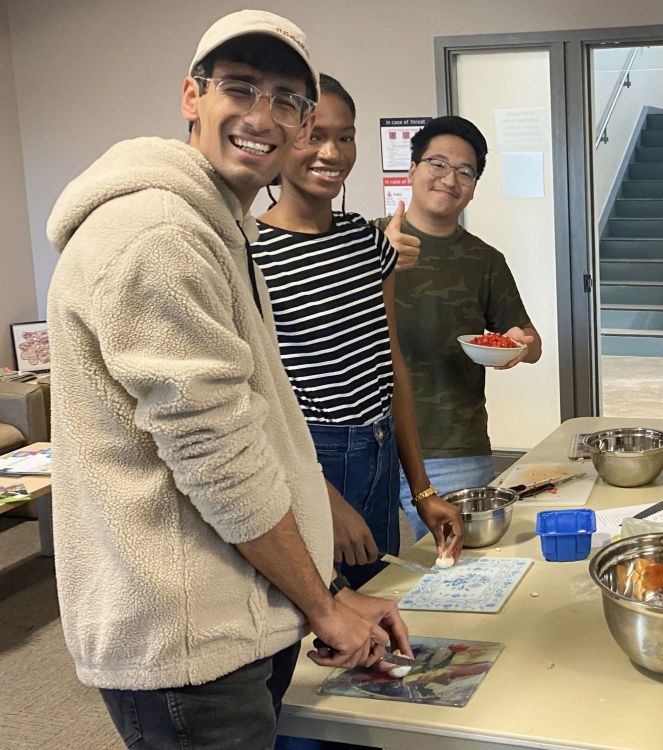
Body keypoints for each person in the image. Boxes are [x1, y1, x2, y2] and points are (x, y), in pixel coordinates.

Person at [45, 11, 411, 748]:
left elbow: (259, 432)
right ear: (192, 97)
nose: (261, 116)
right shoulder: (161, 235)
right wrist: (326, 605)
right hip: (189, 644)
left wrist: (332, 592)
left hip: (237, 608)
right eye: (239, 88)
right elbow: (220, 462)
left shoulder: (219, 228)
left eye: (285, 100)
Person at [252, 74, 463, 589]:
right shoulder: (250, 250)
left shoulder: (367, 241)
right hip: (308, 461)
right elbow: (254, 406)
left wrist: (422, 491)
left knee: (378, 609)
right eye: (312, 134)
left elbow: (391, 364)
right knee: (311, 619)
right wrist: (326, 500)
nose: (331, 152)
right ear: (281, 136)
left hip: (379, 451)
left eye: (345, 137)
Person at [370, 116, 543, 540]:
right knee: (371, 575)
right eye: (437, 164)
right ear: (411, 170)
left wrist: (521, 345)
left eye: (465, 172)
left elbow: (530, 340)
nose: (450, 179)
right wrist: (378, 262)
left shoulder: (484, 260)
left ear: (474, 186)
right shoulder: (366, 240)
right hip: (366, 447)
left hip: (453, 449)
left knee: (454, 568)